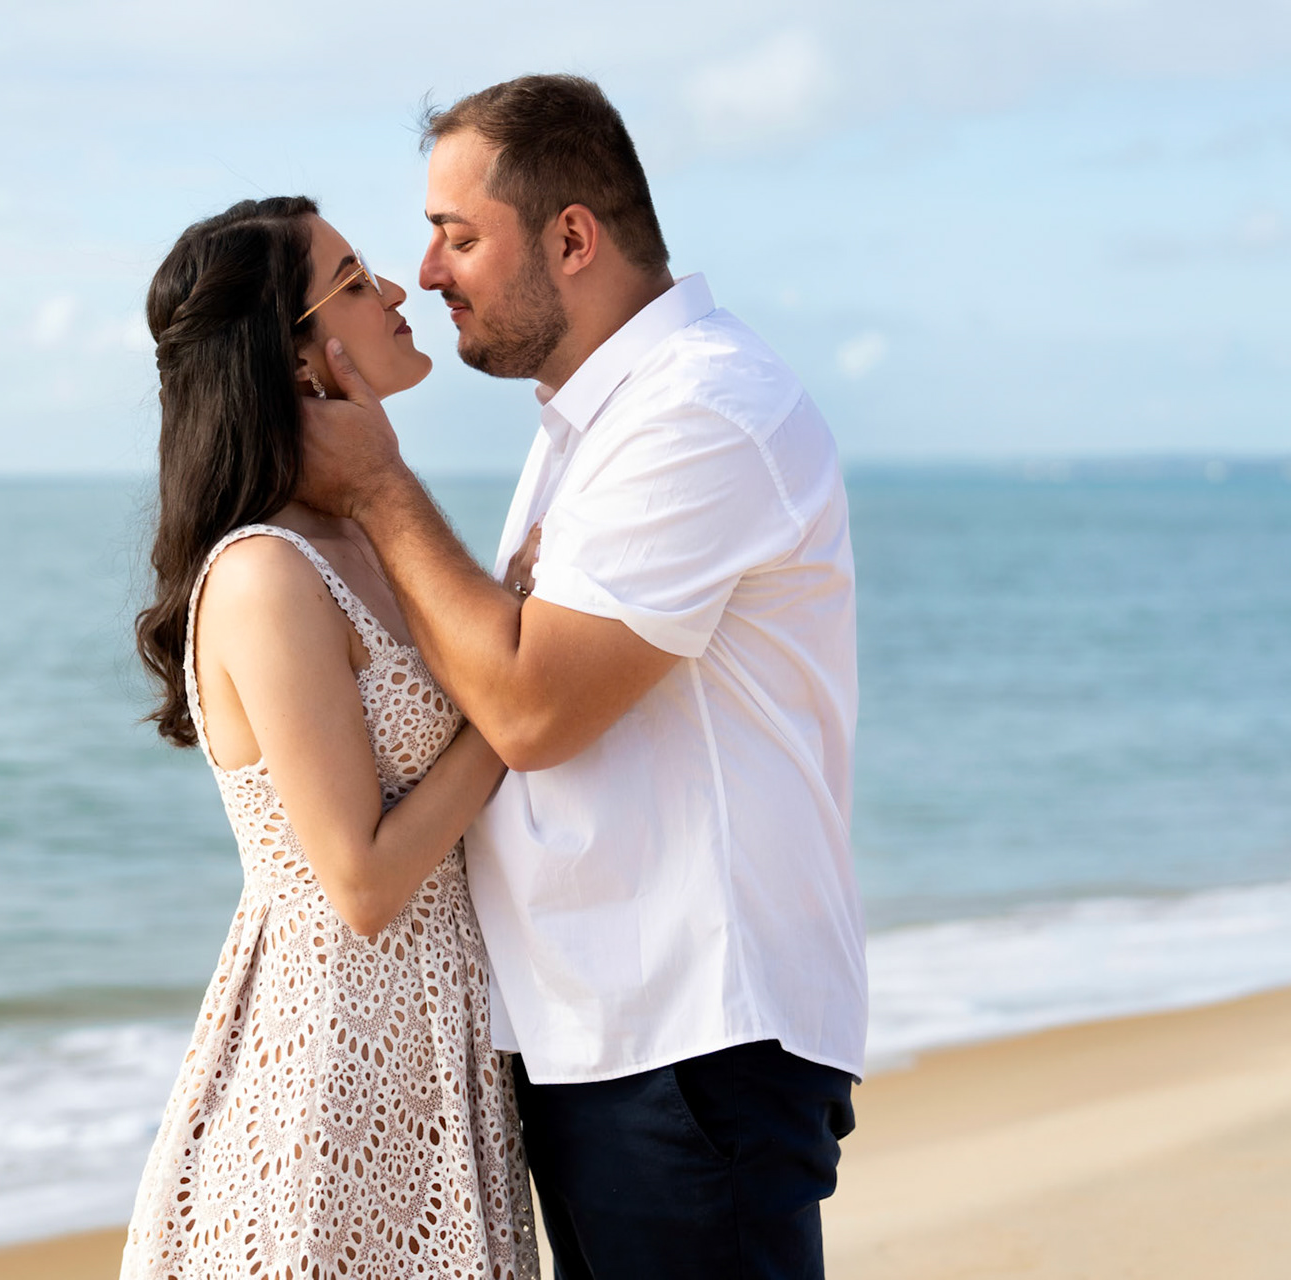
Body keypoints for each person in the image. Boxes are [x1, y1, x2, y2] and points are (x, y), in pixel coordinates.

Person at [297, 76, 867, 1279]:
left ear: (571, 236)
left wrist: (382, 489)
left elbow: (531, 706)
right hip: (613, 1036)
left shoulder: (702, 410)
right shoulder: (592, 424)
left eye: (458, 235)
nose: (430, 271)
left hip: (687, 1040)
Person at [122, 196, 540, 1280]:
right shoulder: (266, 573)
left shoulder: (363, 526)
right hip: (326, 1087)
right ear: (296, 352)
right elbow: (358, 878)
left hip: (436, 1060)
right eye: (353, 280)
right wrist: (516, 707)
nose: (399, 290)